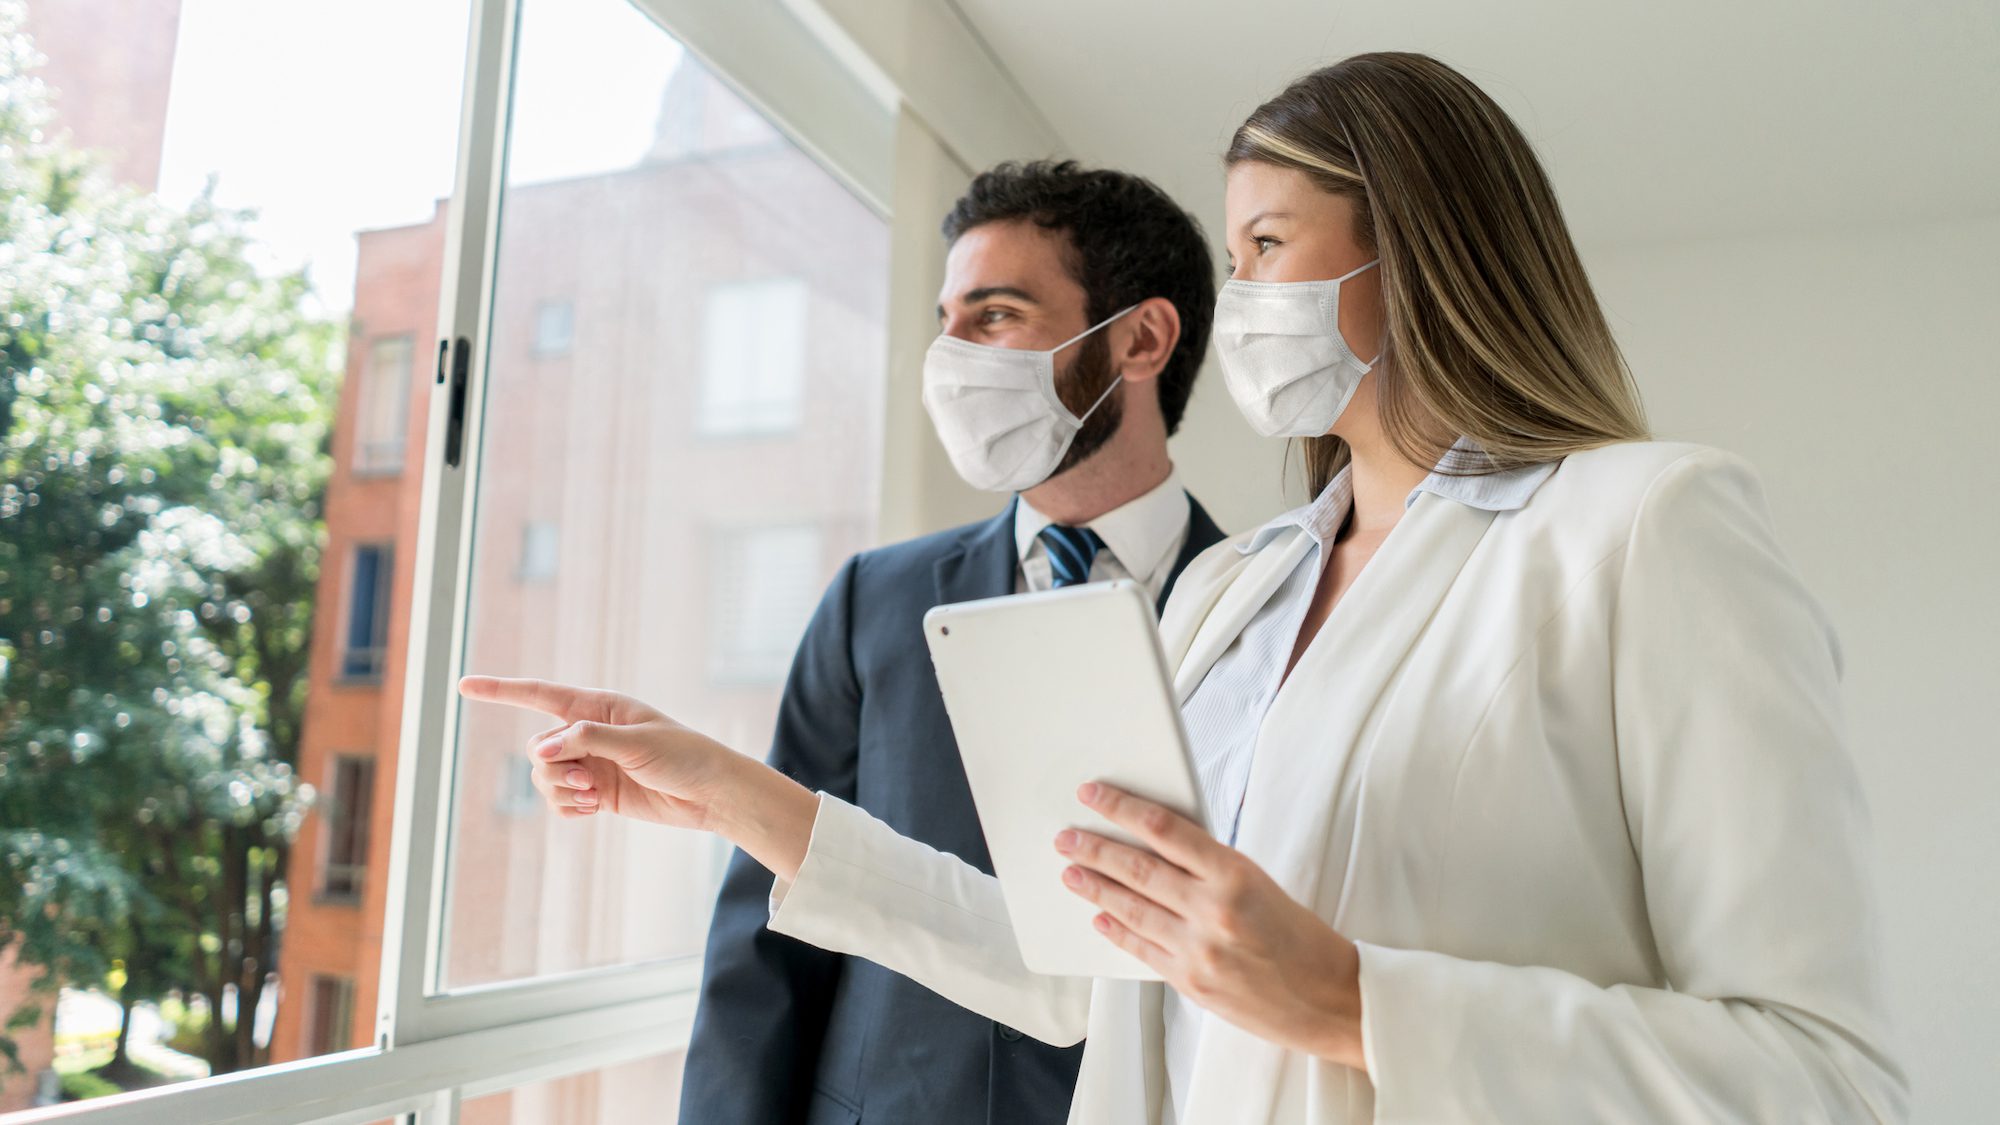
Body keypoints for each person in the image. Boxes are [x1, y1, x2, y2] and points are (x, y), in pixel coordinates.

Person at [462, 53, 1907, 1125]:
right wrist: (732, 793)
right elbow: (1088, 963)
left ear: (1418, 252)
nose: (1248, 290)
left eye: (1269, 245)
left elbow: (1823, 1074)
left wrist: (1358, 1003)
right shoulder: (1247, 590)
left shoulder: (1645, 527)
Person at [675, 160, 1227, 1124]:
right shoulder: (871, 602)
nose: (951, 355)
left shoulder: (1271, 609)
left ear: (1140, 338)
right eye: (947, 321)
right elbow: (766, 920)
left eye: (996, 315)